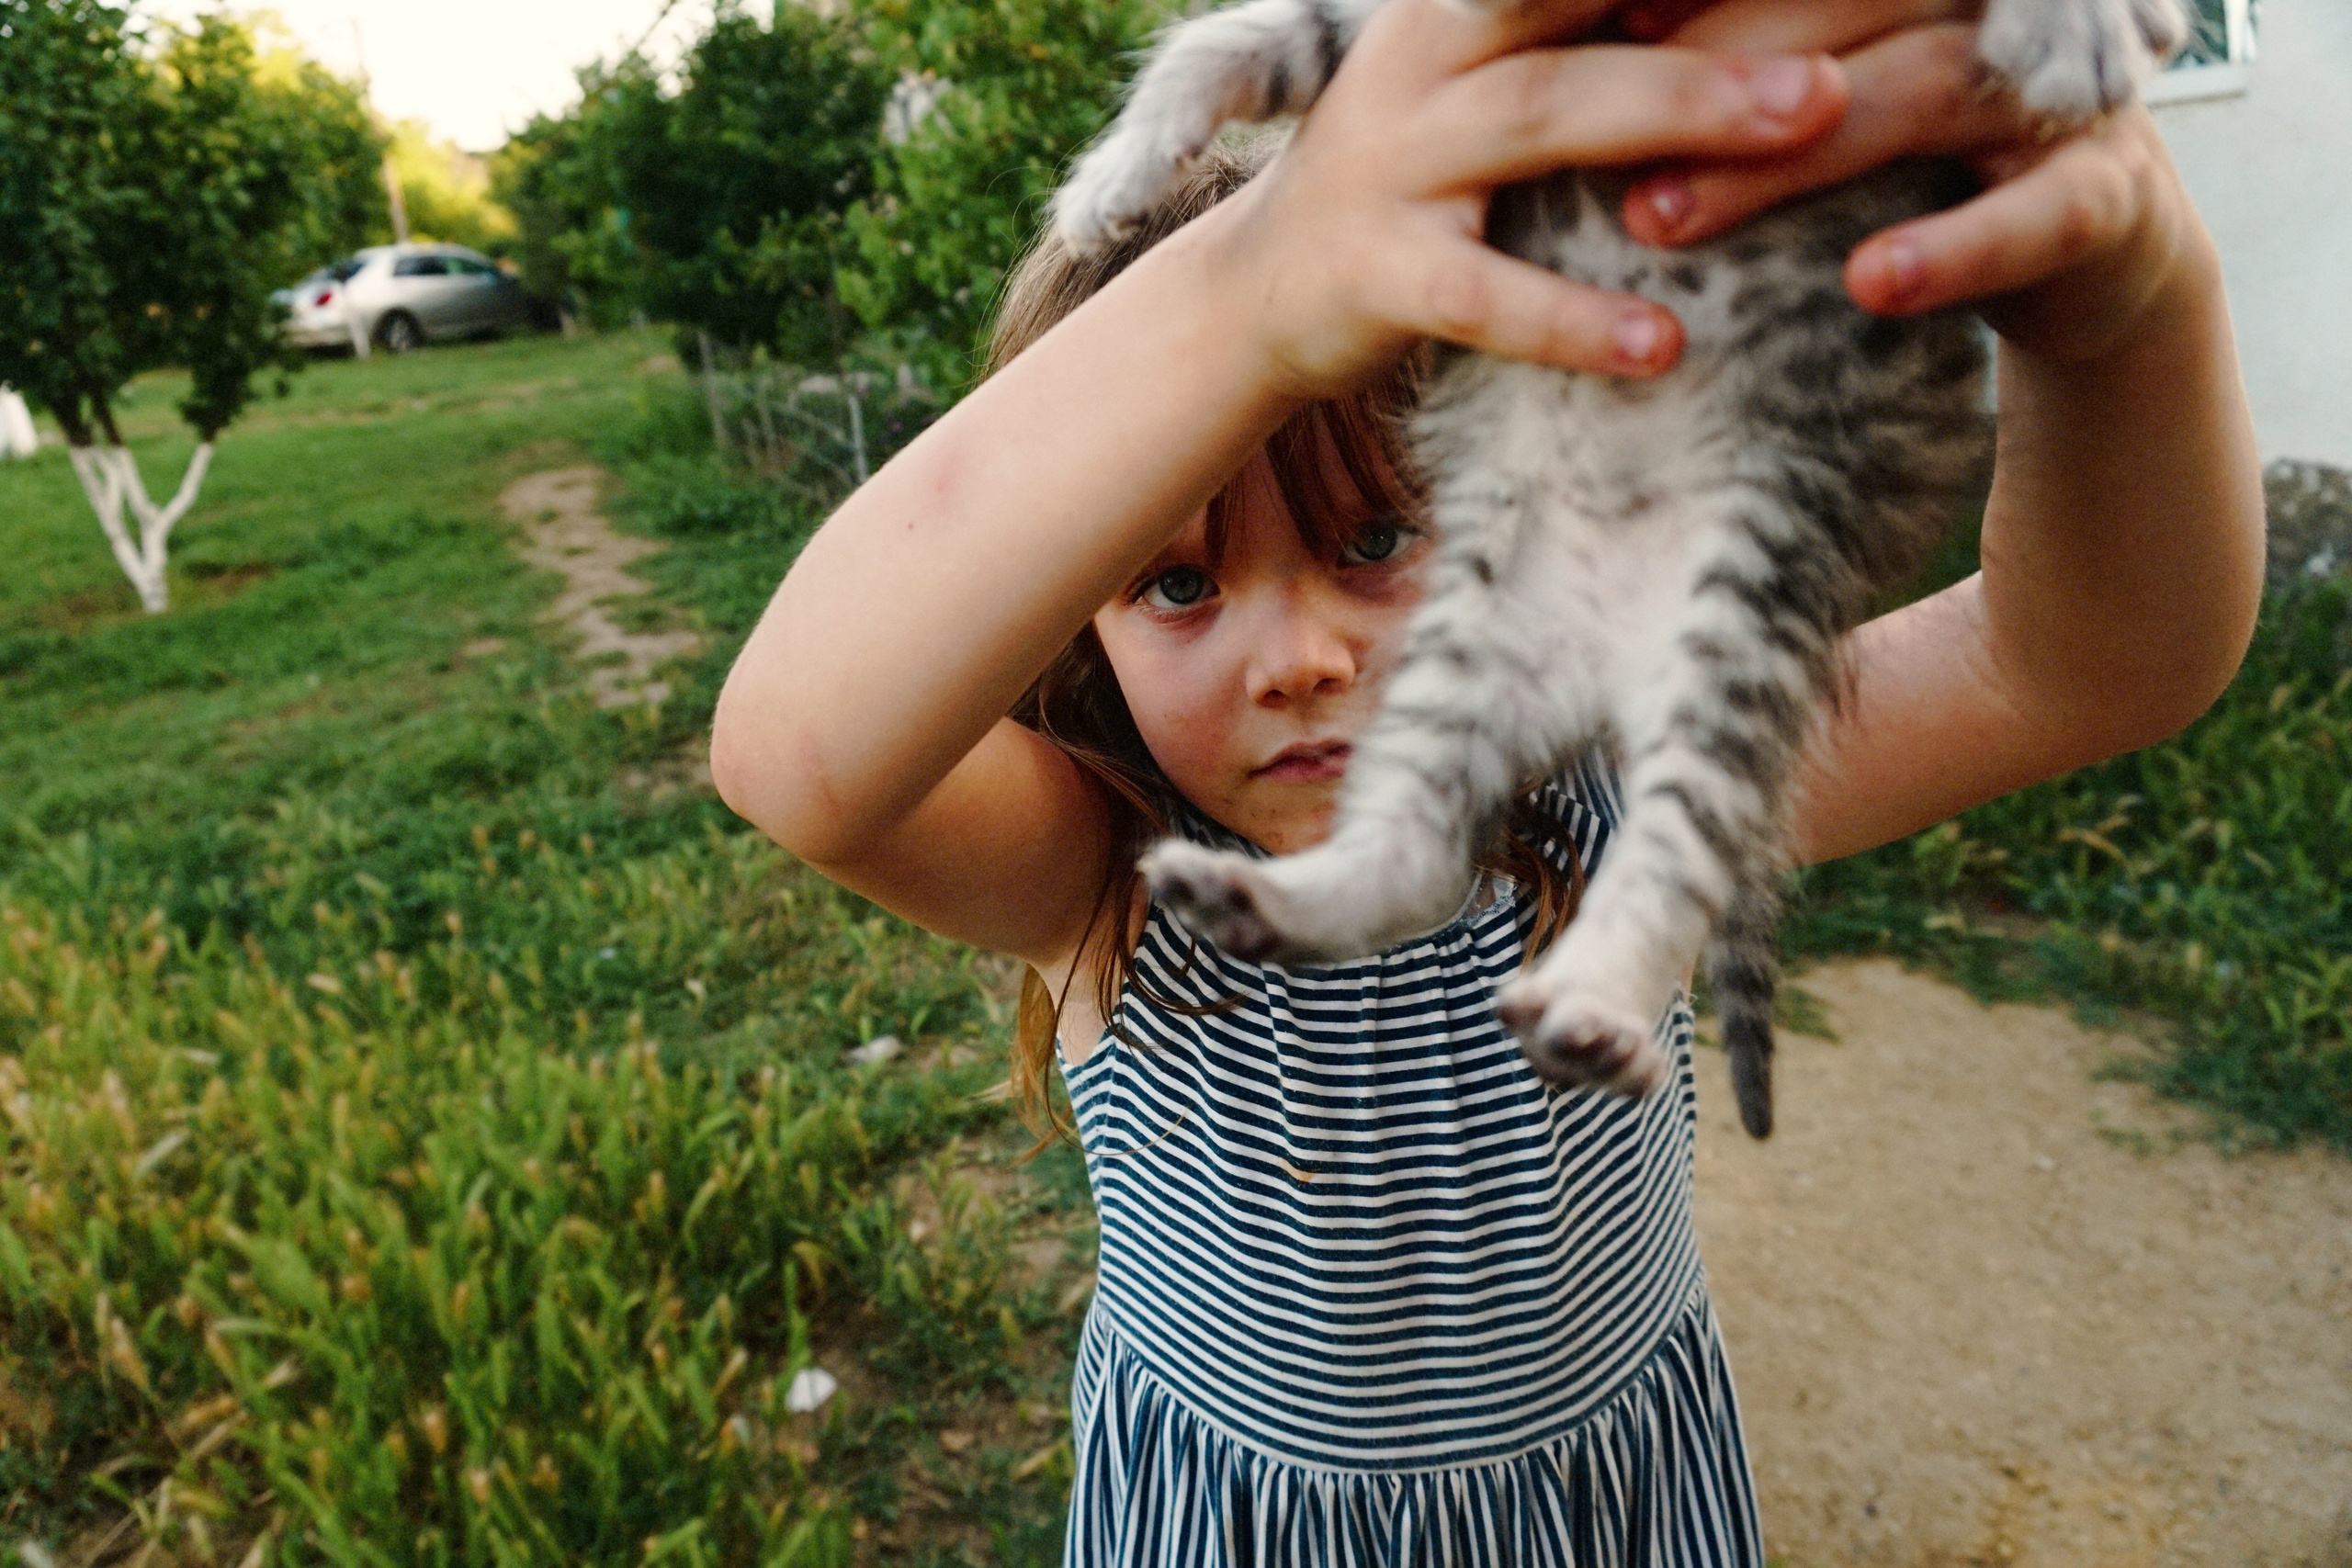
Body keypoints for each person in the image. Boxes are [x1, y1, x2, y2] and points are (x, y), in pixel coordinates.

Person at [710, 0, 2264, 1557]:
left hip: (1612, 1508)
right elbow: (800, 761)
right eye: (1174, 585)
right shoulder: (1105, 876)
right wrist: (1257, 288)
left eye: (1378, 540)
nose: (1298, 655)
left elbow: (2075, 666)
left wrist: (2135, 316)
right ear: (1075, 628)